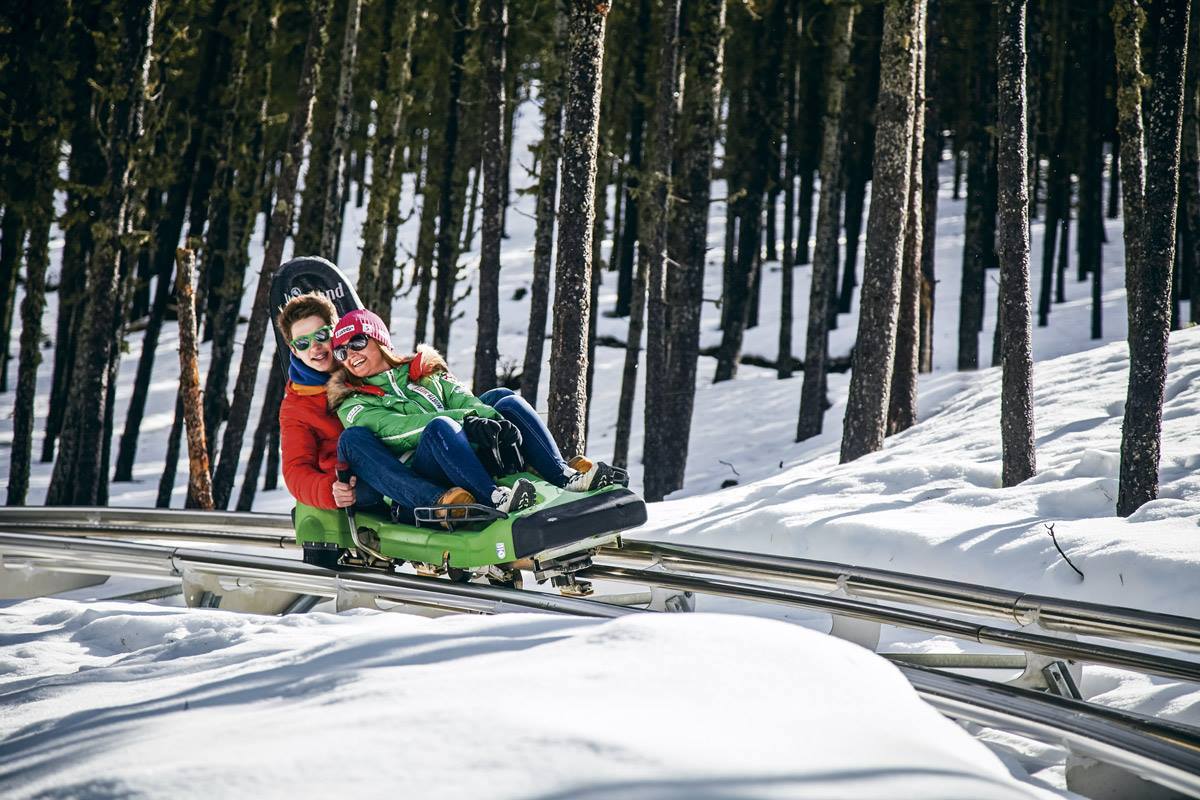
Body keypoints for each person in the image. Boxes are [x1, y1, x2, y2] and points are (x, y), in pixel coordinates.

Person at [326, 309, 626, 517]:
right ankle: (492, 497)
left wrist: (492, 421)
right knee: (439, 425)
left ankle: (565, 476)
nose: (351, 355)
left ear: (378, 339)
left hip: (462, 455)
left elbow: (461, 398)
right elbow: (396, 430)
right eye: (342, 352)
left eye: (357, 342)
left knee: (504, 399)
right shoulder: (352, 401)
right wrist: (465, 422)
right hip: (425, 468)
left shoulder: (423, 371)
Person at [276, 292, 463, 522]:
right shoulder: (297, 405)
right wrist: (331, 489)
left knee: (498, 399)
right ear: (294, 350)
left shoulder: (367, 366)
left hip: (410, 456)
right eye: (303, 343)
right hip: (360, 481)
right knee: (353, 438)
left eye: (321, 335)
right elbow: (296, 470)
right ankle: (436, 503)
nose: (314, 347)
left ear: (336, 332)